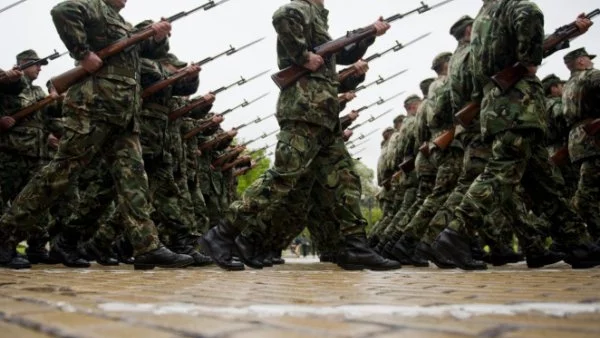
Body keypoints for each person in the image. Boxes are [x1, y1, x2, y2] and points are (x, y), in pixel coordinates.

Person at [200, 0, 400, 271]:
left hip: (325, 117)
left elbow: (341, 56)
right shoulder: (299, 9)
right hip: (304, 110)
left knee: (346, 179)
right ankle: (223, 233)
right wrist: (303, 57)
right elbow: (282, 14)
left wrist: (368, 37)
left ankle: (355, 245)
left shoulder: (317, 16)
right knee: (283, 177)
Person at [0, 0, 193, 270]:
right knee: (61, 172)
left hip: (124, 113)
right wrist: (82, 52)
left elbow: (135, 55)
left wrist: (157, 37)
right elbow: (62, 11)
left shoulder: (123, 24)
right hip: (95, 105)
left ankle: (147, 246)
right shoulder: (95, 6)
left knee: (134, 180)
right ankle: (5, 235)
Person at [433, 0, 600, 270]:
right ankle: (456, 233)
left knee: (545, 183)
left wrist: (564, 35)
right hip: (518, 106)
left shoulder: (483, 17)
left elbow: (501, 58)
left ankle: (576, 242)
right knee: (501, 172)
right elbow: (530, 46)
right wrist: (548, 45)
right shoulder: (517, 6)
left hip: (499, 106)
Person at [561, 48, 600, 243]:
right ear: (581, 61)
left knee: (589, 191)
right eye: (588, 59)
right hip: (595, 139)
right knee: (586, 196)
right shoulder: (591, 76)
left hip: (579, 142)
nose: (591, 63)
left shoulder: (568, 85)